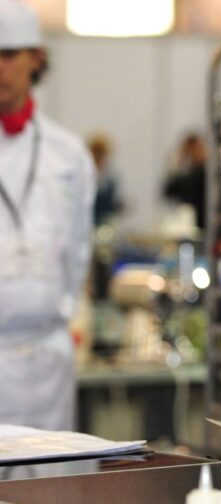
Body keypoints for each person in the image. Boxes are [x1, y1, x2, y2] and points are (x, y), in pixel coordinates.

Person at [0, 0, 95, 430]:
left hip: (47, 356)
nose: (0, 69)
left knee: (49, 485)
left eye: (8, 55)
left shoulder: (67, 153)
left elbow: (79, 247)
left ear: (35, 58)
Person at [163, 132, 207, 230]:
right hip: (192, 225)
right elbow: (168, 191)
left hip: (203, 224)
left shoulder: (204, 173)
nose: (190, 154)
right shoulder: (189, 172)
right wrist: (177, 165)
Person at [88, 133, 122, 226]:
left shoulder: (110, 178)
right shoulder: (85, 176)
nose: (99, 158)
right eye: (96, 154)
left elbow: (112, 204)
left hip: (105, 224)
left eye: (101, 155)